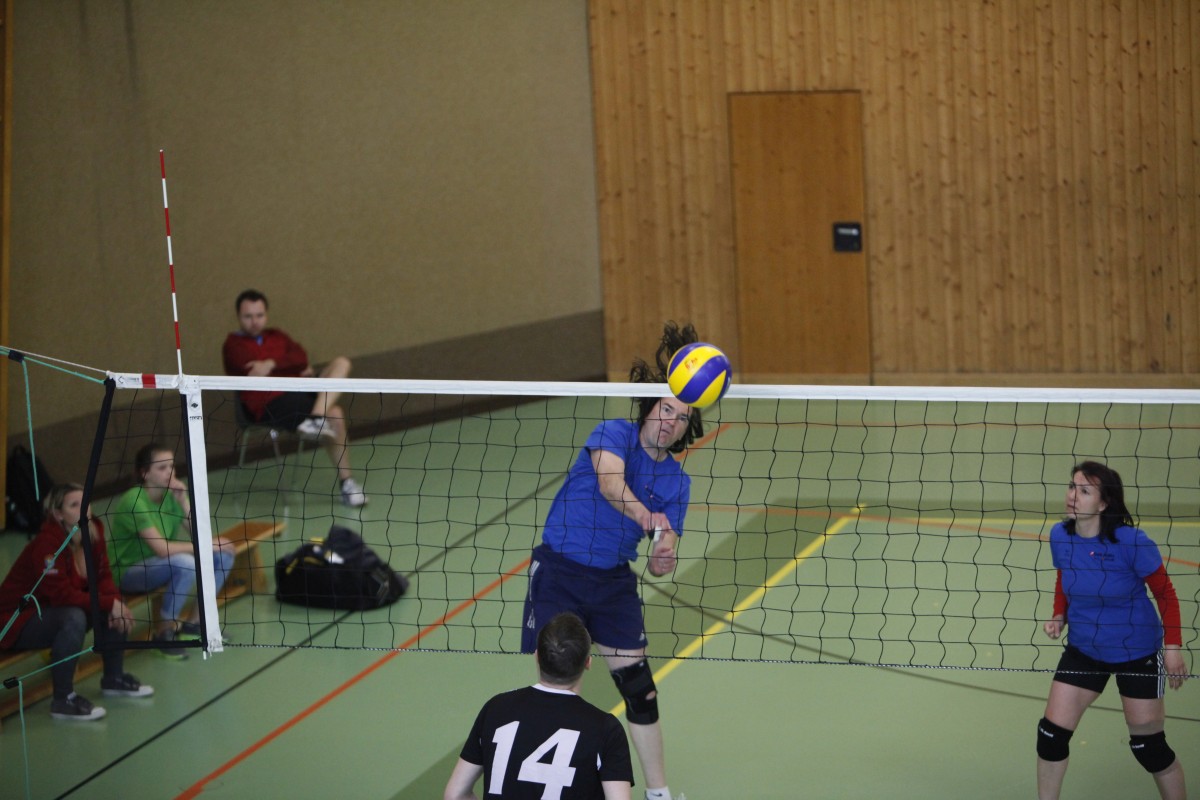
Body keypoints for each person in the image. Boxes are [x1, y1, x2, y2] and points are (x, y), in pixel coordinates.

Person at [520, 322, 703, 800]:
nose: (671, 421)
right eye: (666, 409)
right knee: (562, 687)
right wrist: (646, 517)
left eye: (682, 417)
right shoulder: (614, 433)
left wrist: (663, 555)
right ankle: (556, 785)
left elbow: (665, 548)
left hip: (613, 584)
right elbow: (609, 484)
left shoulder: (678, 483)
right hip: (560, 572)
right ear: (650, 408)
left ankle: (658, 793)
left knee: (640, 690)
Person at [1037, 460, 1189, 800]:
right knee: (1050, 736)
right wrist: (1059, 614)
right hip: (1084, 649)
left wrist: (1173, 648)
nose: (1073, 495)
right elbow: (1064, 575)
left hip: (1136, 651)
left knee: (1149, 748)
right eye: (1072, 486)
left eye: (1084, 491)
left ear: (1104, 503)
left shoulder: (1132, 542)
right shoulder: (1060, 535)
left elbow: (1166, 595)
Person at [0, 483, 153, 720]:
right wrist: (109, 603)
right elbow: (61, 595)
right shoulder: (48, 544)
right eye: (74, 505)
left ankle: (113, 679)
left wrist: (115, 602)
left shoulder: (94, 529)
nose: (83, 509)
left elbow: (103, 576)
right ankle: (63, 700)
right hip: (14, 621)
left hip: (52, 611)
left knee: (111, 603)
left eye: (85, 502)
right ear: (58, 514)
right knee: (75, 617)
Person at [445, 612, 634, 800]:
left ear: (537, 656)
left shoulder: (496, 709)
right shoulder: (606, 729)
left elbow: (455, 795)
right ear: (588, 662)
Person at [222, 288, 368, 507]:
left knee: (341, 363)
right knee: (335, 414)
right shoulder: (233, 346)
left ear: (266, 315)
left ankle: (345, 481)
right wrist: (293, 367)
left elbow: (301, 356)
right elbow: (262, 371)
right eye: (248, 316)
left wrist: (271, 364)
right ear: (238, 317)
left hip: (298, 390)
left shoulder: (277, 336)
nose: (254, 322)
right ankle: (317, 420)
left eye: (259, 315)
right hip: (269, 404)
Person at [107, 443, 236, 659]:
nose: (170, 472)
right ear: (145, 473)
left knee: (222, 555)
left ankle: (194, 624)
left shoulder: (171, 495)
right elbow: (161, 549)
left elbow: (198, 535)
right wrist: (206, 545)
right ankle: (164, 633)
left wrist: (183, 501)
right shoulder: (134, 501)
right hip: (128, 571)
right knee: (186, 563)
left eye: (171, 466)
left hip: (161, 565)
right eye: (162, 468)